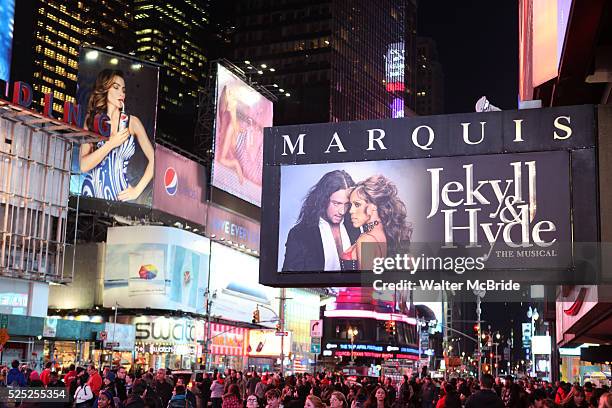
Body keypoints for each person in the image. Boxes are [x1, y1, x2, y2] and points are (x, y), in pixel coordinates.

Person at [80, 69, 154, 202]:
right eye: (116, 88)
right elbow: (84, 165)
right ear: (105, 89)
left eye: (124, 90)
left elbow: (154, 160)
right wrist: (111, 144)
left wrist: (137, 191)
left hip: (120, 198)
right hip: (91, 193)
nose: (121, 93)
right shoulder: (91, 120)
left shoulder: (133, 122)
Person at [283, 170, 360, 272]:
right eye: (336, 203)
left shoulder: (356, 227)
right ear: (323, 199)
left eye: (346, 204)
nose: (342, 211)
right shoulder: (300, 234)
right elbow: (289, 280)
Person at [341, 175, 411, 270]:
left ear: (373, 206)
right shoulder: (384, 233)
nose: (351, 211)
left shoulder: (366, 240)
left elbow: (367, 284)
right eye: (351, 205)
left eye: (357, 204)